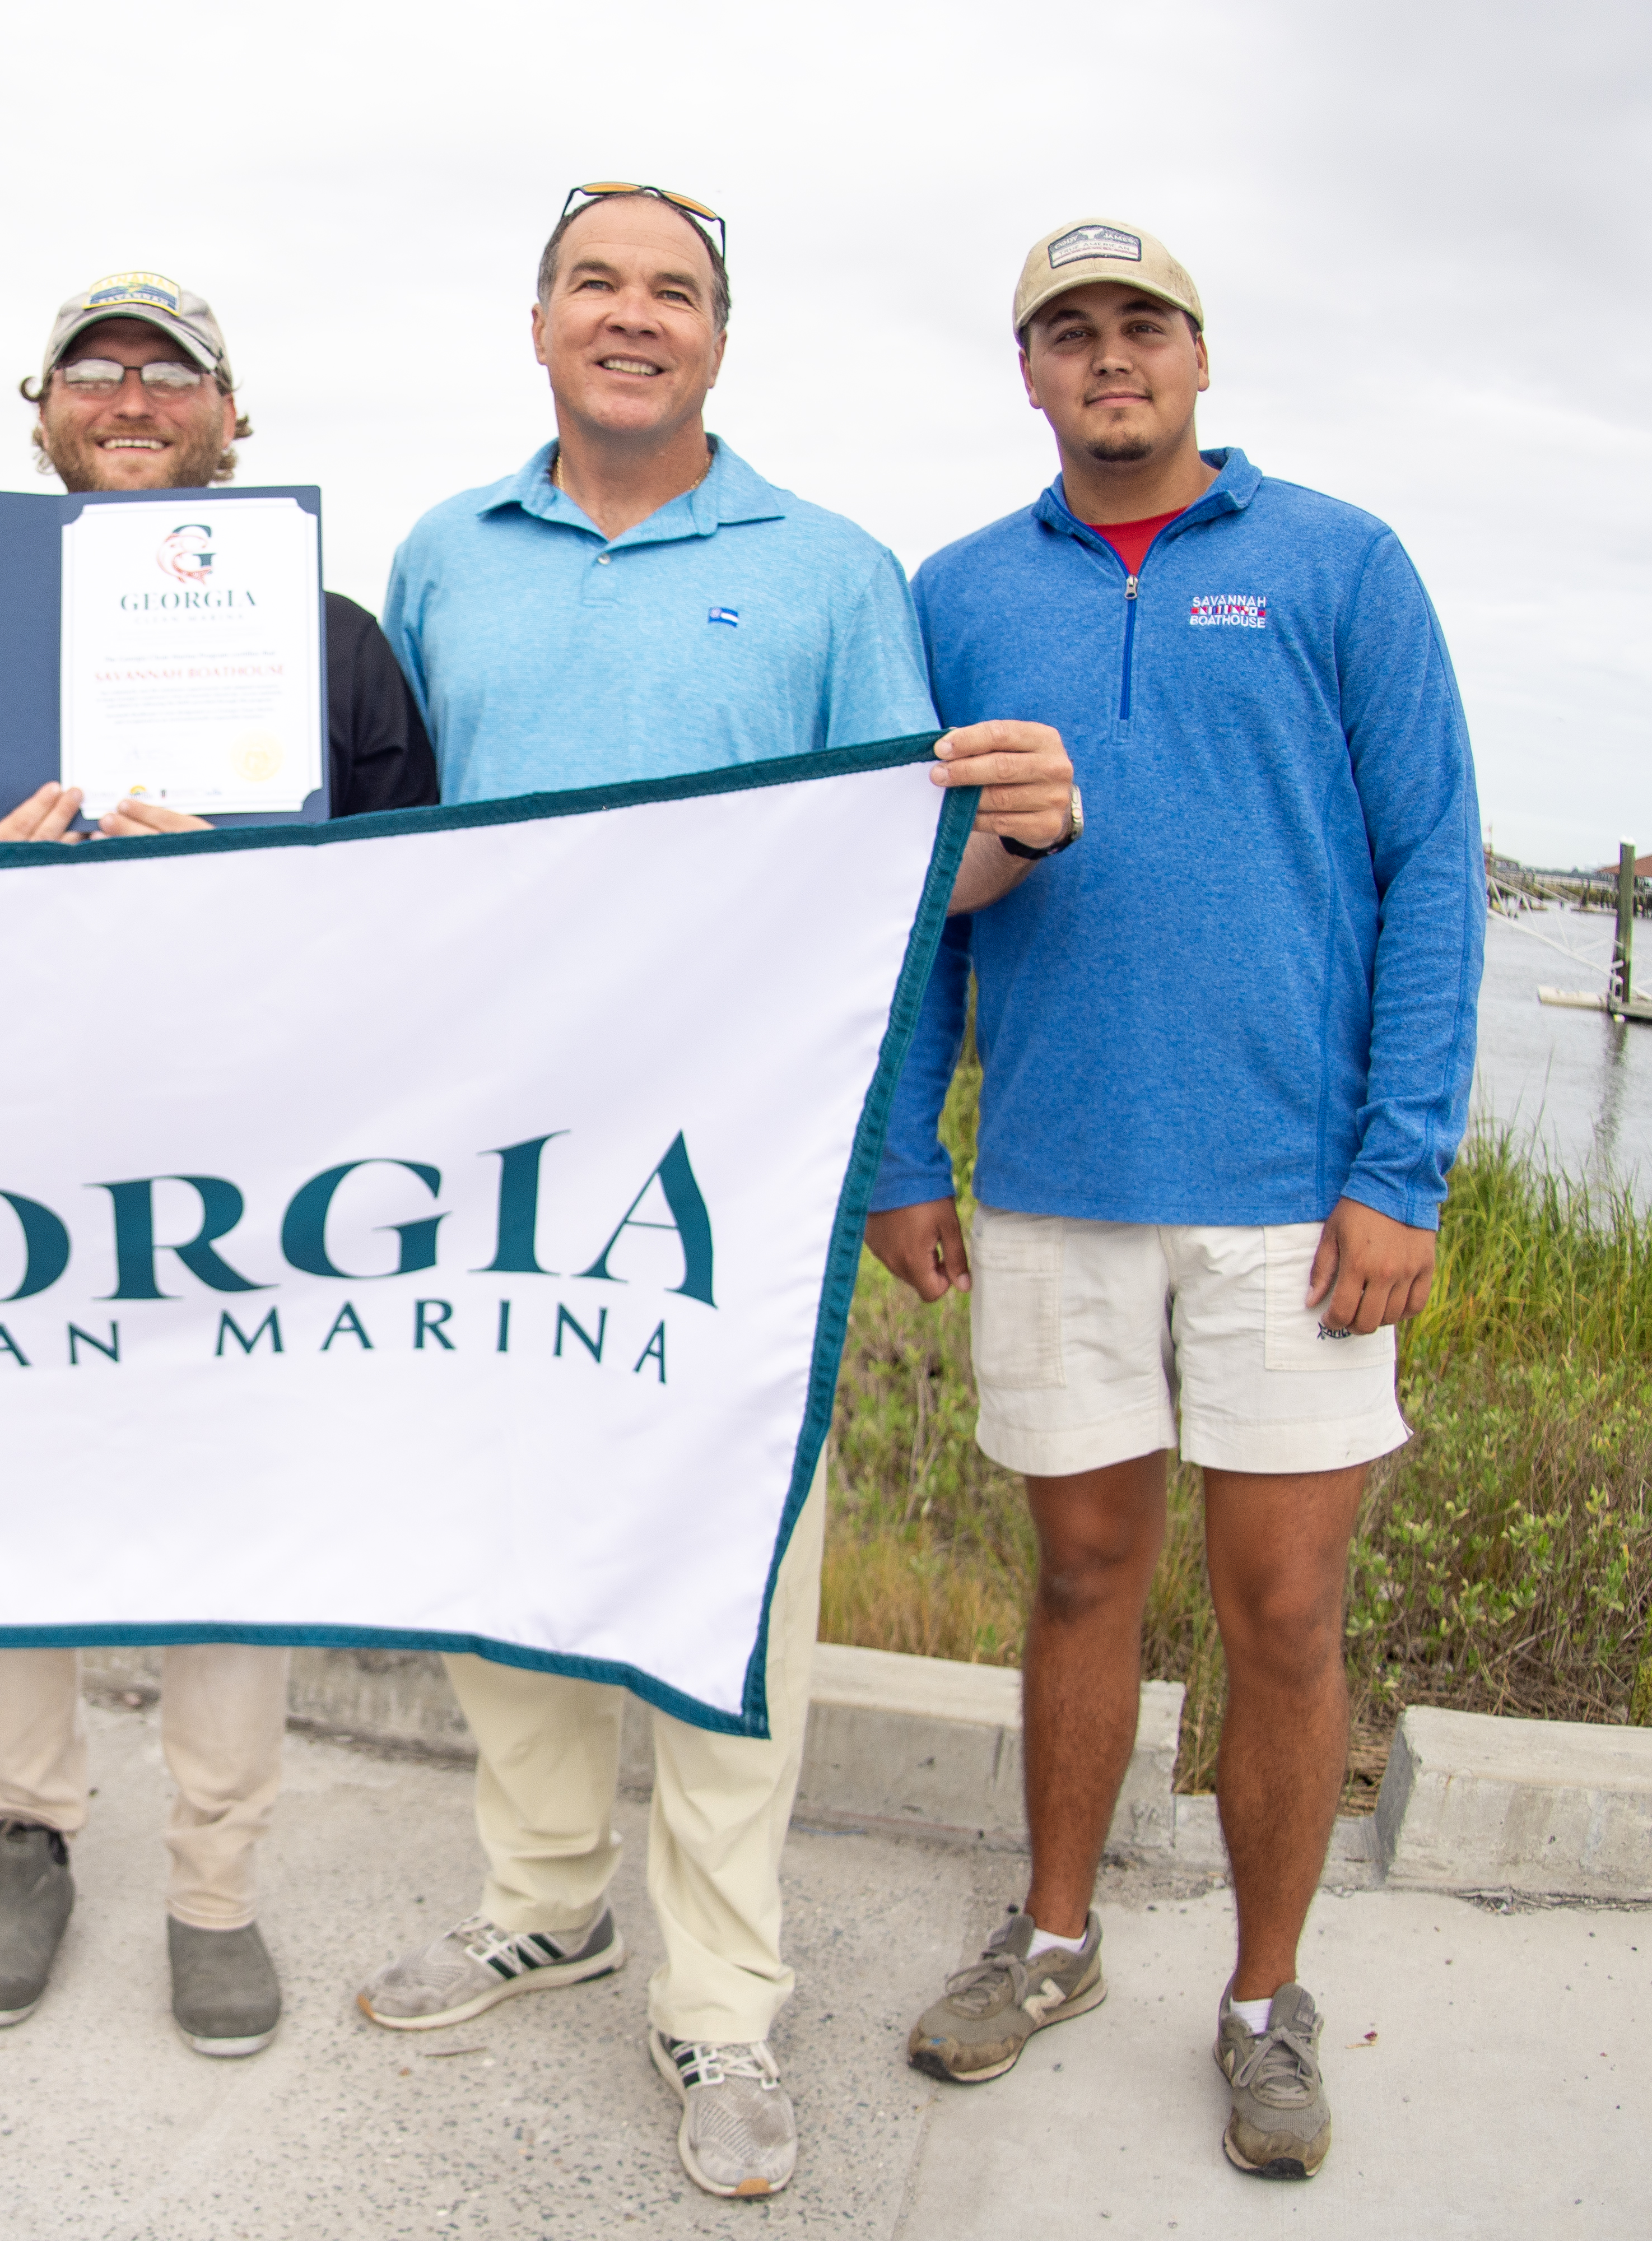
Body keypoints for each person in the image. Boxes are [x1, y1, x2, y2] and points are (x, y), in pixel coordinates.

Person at [357, 184, 1078, 2201]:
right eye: (599, 280)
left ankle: (723, 2005)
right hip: (489, 1168)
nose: (633, 315)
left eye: (674, 291)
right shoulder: (442, 555)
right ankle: (545, 1900)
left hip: (725, 1179)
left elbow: (896, 886)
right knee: (512, 1556)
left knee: (735, 1590)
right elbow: (383, 861)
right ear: (539, 321)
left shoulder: (837, 574)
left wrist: (1014, 839)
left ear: (720, 343)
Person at [868, 221, 1481, 2182]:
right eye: (1069, 332)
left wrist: (1399, 1171)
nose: (1108, 358)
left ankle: (1263, 2000)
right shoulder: (957, 592)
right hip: (1054, 1186)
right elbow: (906, 895)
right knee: (1077, 1583)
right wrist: (901, 1150)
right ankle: (1054, 1942)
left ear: (1198, 358)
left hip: (1293, 1213)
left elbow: (1434, 874)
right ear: (1029, 372)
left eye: (1142, 326)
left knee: (1283, 1614)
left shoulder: (1340, 566)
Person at [0, 269, 439, 2059]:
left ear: (233, 419)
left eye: (169, 371)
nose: (128, 393)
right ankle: (28, 1842)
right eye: (92, 368)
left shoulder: (328, 641)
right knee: (12, 1503)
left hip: (238, 1156)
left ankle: (215, 1887)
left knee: (228, 1517)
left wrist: (245, 873)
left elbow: (417, 907)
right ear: (37, 411)